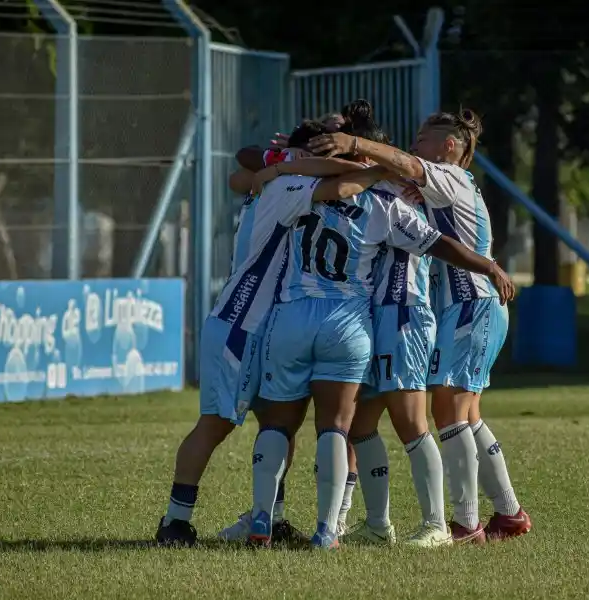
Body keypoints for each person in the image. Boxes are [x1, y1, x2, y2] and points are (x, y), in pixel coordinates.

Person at [247, 102, 515, 550]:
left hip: (406, 312)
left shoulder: (411, 185)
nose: (411, 150)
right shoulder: (381, 189)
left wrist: (285, 164)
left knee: (420, 420)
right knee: (359, 426)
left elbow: (437, 237)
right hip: (368, 317)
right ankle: (373, 522)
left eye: (420, 141)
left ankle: (446, 524)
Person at [154, 120, 394, 547]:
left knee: (279, 423)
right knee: (216, 424)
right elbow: (335, 186)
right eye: (325, 154)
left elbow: (241, 174)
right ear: (303, 158)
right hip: (240, 322)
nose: (334, 162)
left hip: (271, 322)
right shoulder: (288, 186)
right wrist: (380, 169)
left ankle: (270, 516)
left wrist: (275, 165)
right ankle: (175, 522)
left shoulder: (282, 183)